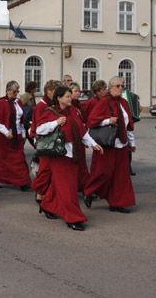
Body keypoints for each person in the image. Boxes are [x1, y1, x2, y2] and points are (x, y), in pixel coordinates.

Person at [36, 86, 103, 230]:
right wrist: (56, 123)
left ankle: (47, 206)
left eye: (70, 96)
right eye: (67, 96)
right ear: (59, 98)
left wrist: (94, 144)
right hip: (60, 155)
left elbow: (82, 131)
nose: (70, 99)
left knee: (60, 185)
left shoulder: (72, 111)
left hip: (74, 154)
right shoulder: (50, 112)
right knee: (68, 188)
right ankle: (73, 218)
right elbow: (39, 129)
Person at [83, 76, 136, 213]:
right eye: (117, 86)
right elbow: (91, 121)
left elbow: (129, 124)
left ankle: (117, 203)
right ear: (110, 88)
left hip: (122, 143)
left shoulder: (124, 103)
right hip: (108, 143)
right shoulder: (104, 102)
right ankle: (89, 192)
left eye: (122, 86)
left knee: (121, 175)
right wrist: (107, 121)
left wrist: (132, 142)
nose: (120, 88)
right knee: (103, 172)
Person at [0, 81, 31, 190]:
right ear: (7, 91)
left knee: (19, 159)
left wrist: (23, 133)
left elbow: (21, 121)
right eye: (14, 91)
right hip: (3, 136)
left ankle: (23, 181)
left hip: (16, 135)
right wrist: (6, 132)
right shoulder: (1, 103)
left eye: (17, 91)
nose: (16, 94)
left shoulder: (18, 102)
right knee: (0, 160)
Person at [30, 79, 61, 204]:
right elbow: (39, 127)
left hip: (52, 140)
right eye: (56, 91)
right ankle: (39, 191)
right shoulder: (41, 106)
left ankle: (47, 192)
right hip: (44, 141)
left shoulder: (52, 104)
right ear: (49, 91)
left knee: (51, 168)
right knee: (45, 168)